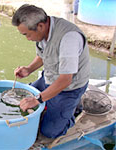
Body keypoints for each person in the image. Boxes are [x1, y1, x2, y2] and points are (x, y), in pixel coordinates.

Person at [12, 4, 90, 138]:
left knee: (50, 132)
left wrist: (38, 99)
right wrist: (29, 69)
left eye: (27, 34)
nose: (27, 39)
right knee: (21, 96)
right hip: (49, 77)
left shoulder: (69, 38)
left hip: (69, 88)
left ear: (40, 26)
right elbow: (43, 55)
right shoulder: (42, 31)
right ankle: (55, 104)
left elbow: (66, 79)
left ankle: (73, 110)